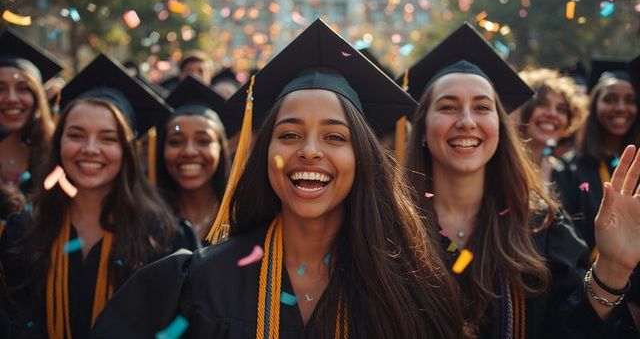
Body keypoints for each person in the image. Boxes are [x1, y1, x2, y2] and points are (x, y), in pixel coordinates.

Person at [91, 18, 464, 338]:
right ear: (265, 154)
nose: (310, 151)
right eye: (289, 134)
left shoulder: (410, 285)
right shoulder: (202, 279)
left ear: (362, 157)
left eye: (335, 136)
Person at [403, 23, 639, 338]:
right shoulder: (390, 228)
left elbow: (570, 328)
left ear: (500, 128)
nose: (467, 121)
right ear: (422, 129)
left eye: (482, 107)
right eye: (448, 107)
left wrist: (613, 267)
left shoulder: (542, 226)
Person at [0, 53, 198, 338]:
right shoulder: (25, 229)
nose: (90, 149)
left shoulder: (164, 236)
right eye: (76, 135)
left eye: (108, 138)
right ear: (59, 144)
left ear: (127, 150)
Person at [553, 57, 640, 251]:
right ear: (594, 106)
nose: (620, 107)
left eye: (630, 100)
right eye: (609, 99)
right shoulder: (568, 170)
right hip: (591, 276)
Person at [157, 75, 231, 240]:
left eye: (203, 141)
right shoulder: (146, 223)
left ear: (221, 148)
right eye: (176, 142)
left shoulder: (241, 219)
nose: (189, 152)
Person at [0, 28, 62, 195]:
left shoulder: (60, 155)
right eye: (1, 89)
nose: (12, 98)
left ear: (38, 97)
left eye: (23, 89)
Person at [514, 68, 588, 184]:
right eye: (542, 104)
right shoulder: (496, 165)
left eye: (561, 109)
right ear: (520, 108)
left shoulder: (565, 174)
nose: (553, 114)